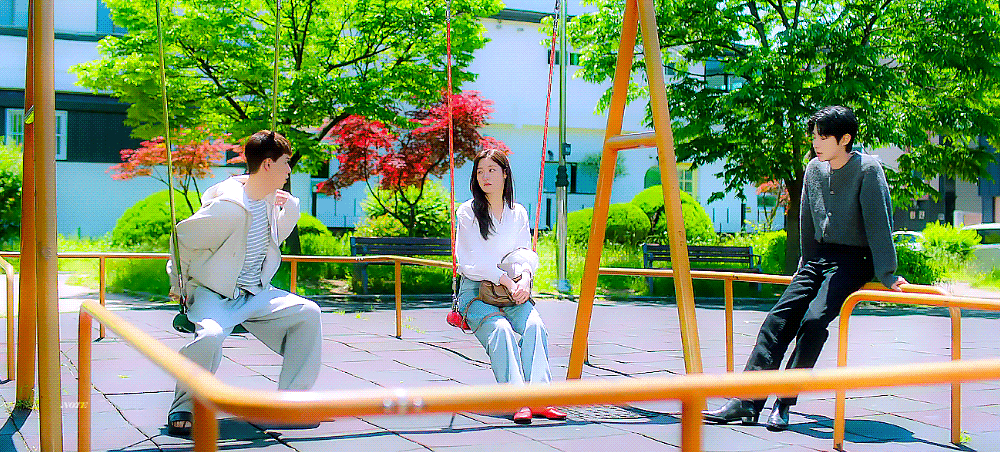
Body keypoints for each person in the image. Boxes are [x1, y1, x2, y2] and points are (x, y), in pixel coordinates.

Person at [703, 106, 907, 431]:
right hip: (818, 258)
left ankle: (784, 401)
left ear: (845, 139)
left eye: (823, 137)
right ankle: (746, 402)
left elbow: (879, 224)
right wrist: (804, 269)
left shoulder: (868, 169)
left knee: (813, 322)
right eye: (814, 136)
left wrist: (887, 273)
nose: (816, 143)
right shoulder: (814, 169)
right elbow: (807, 222)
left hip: (855, 260)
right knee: (777, 320)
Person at [165, 130, 322, 436]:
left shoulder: (270, 200)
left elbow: (273, 238)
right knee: (209, 336)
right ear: (267, 164)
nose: (289, 171)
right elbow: (182, 238)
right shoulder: (229, 206)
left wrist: (290, 209)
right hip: (217, 294)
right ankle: (184, 406)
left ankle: (291, 403)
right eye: (286, 163)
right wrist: (178, 284)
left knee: (307, 314)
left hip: (256, 293)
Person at [455, 148, 567, 425]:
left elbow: (521, 253)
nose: (485, 177)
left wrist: (525, 278)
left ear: (505, 174)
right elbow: (471, 261)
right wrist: (505, 279)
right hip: (475, 291)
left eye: (492, 170)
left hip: (510, 289)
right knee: (501, 330)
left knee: (535, 326)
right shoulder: (467, 212)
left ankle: (540, 398)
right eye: (480, 172)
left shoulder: (517, 213)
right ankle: (517, 399)